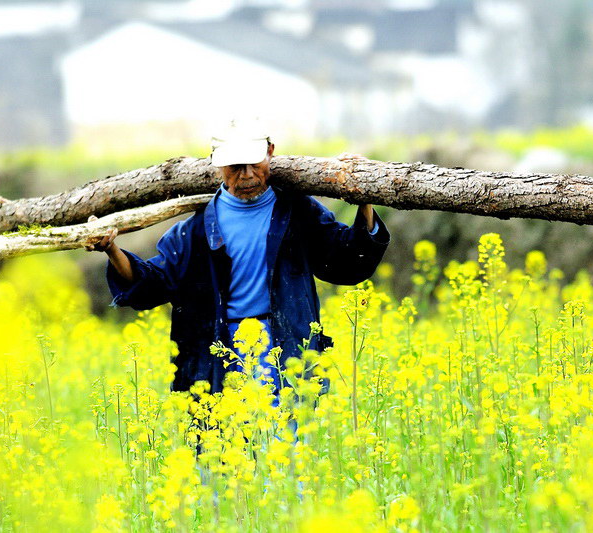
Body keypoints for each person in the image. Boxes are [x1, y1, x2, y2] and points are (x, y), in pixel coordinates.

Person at [85, 117, 390, 409]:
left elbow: (346, 261)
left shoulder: (297, 213)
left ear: (270, 152)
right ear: (216, 163)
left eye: (254, 162)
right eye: (234, 166)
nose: (246, 175)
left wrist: (362, 195)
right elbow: (149, 284)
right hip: (217, 355)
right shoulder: (194, 231)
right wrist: (111, 248)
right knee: (223, 452)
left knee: (286, 450)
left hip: (284, 350)